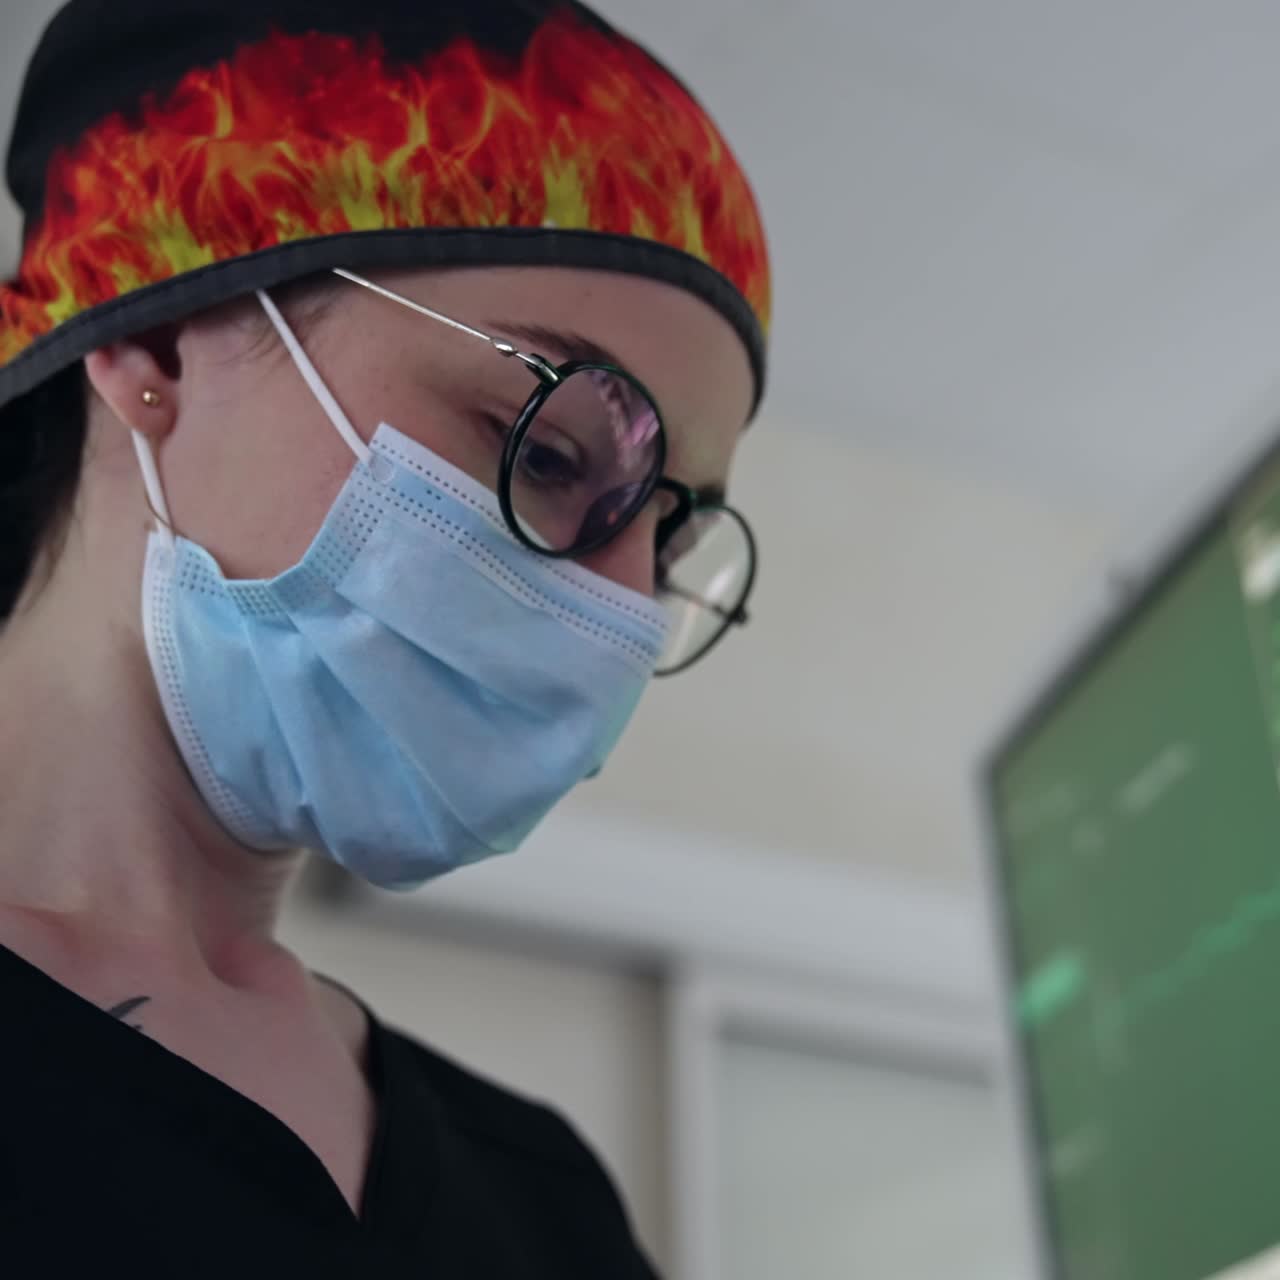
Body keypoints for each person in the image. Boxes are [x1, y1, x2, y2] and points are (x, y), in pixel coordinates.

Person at [0, 0, 770, 1273]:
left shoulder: (545, 1203)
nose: (623, 603)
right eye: (554, 448)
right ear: (151, 337)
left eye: (670, 538)